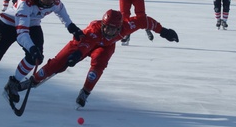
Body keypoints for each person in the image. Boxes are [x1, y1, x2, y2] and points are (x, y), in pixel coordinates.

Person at [17, 9, 179, 108]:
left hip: (105, 47)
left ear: (119, 27)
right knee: (58, 63)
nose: (108, 30)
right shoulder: (94, 30)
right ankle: (33, 80)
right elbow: (84, 44)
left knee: (99, 64)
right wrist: (76, 55)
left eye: (112, 28)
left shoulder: (128, 25)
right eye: (106, 26)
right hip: (84, 42)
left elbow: (146, 21)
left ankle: (85, 92)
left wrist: (164, 31)